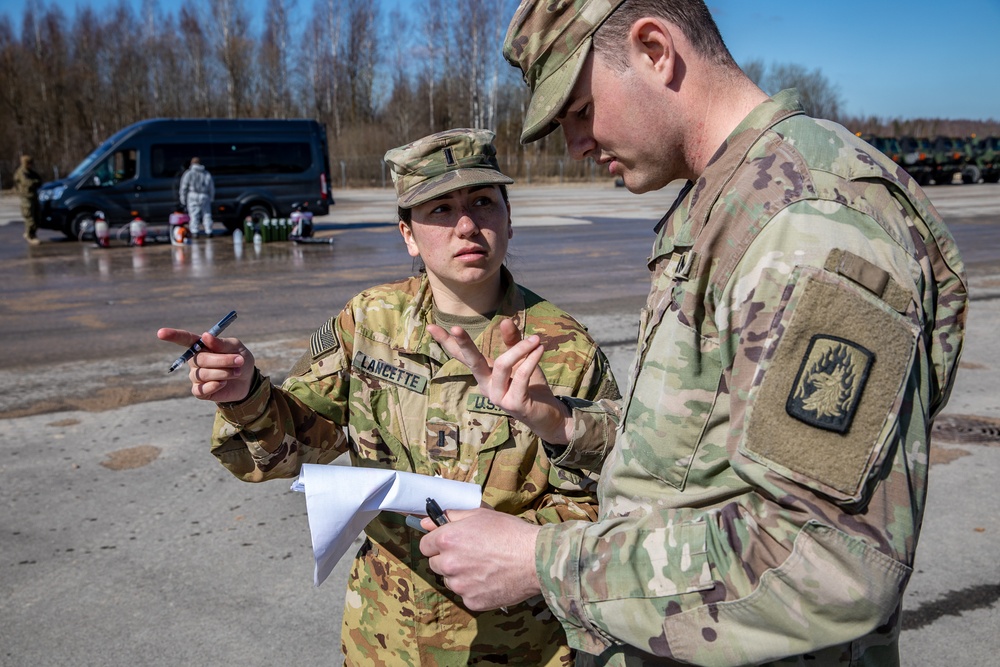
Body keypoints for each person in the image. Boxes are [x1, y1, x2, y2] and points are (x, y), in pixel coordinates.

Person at [419, 2, 969, 666]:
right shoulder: (732, 203)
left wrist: (544, 563)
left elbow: (829, 560)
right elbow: (698, 454)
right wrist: (564, 424)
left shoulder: (809, 225)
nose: (577, 145)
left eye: (581, 110)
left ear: (655, 49)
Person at [157, 128, 621, 666]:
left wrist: (521, 542)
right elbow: (301, 446)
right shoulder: (369, 321)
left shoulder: (564, 348)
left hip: (515, 645)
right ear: (407, 234)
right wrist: (246, 396)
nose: (467, 224)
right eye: (440, 210)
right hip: (383, 636)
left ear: (509, 219)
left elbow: (611, 497)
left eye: (482, 203)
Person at [178, 156, 215, 237]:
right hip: (204, 195)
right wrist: (212, 198)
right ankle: (209, 230)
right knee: (207, 214)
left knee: (194, 214)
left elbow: (183, 187)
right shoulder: (206, 173)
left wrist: (182, 199)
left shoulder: (188, 173)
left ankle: (195, 231)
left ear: (192, 163)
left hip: (192, 195)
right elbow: (211, 187)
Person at [14, 154, 42, 245]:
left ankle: (30, 233)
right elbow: (28, 183)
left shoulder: (30, 172)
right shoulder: (22, 172)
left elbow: (39, 180)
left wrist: (36, 182)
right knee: (30, 218)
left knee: (37, 217)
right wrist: (35, 182)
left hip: (33, 196)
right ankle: (31, 236)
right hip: (26, 198)